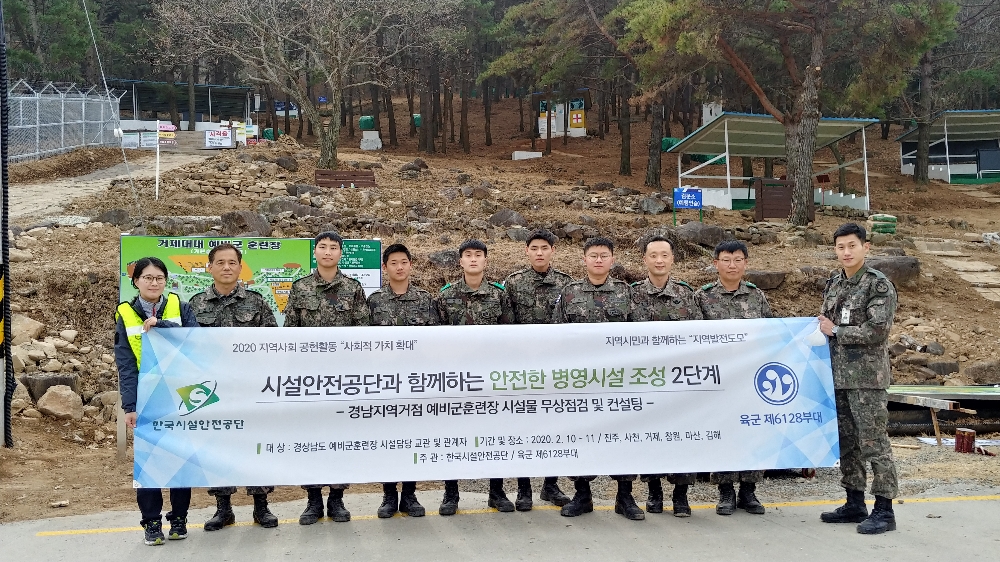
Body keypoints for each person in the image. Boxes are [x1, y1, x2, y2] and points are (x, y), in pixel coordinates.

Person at [187, 243, 279, 531]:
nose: (226, 267)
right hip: (212, 391)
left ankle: (261, 507)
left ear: (241, 267)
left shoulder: (257, 302)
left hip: (250, 389)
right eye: (220, 262)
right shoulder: (194, 304)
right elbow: (185, 348)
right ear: (210, 267)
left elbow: (273, 344)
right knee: (218, 446)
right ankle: (223, 508)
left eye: (232, 262)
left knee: (255, 444)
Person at [552, 237, 644, 521]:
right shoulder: (569, 292)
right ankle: (582, 494)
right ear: (584, 259)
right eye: (593, 255)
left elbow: (639, 336)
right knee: (581, 435)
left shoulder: (626, 292)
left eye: (604, 255)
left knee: (622, 436)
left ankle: (625, 496)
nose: (599, 260)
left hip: (617, 381)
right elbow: (557, 336)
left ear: (612, 260)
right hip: (580, 382)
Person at [818, 222, 900, 535]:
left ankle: (884, 509)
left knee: (874, 444)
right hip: (836, 377)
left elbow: (877, 330)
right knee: (847, 444)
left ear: (866, 248)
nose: (846, 252)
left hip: (866, 379)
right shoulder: (835, 281)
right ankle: (854, 501)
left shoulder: (877, 285)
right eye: (841, 247)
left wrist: (836, 331)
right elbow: (826, 321)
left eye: (852, 245)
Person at [284, 231, 371, 525]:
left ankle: (336, 499)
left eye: (334, 248)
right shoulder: (300, 288)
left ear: (341, 254)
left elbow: (363, 332)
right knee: (310, 438)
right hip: (309, 380)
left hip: (343, 379)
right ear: (315, 252)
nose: (328, 252)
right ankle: (312, 501)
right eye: (323, 247)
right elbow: (290, 332)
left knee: (339, 438)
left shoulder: (353, 288)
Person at [115, 257, 199, 546]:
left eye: (159, 278)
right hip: (147, 397)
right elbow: (125, 364)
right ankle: (151, 522)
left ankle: (179, 518)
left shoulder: (180, 306)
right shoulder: (125, 313)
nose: (154, 283)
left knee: (180, 458)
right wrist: (129, 406)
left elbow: (197, 342)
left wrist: (162, 325)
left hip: (180, 395)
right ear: (136, 281)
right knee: (149, 463)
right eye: (148, 278)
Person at [437, 239, 513, 515]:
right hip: (457, 380)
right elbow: (436, 339)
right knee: (454, 435)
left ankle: (497, 491)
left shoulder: (498, 294)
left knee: (494, 434)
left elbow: (509, 336)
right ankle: (451, 493)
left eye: (478, 255)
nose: (472, 259)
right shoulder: (445, 296)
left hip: (491, 380)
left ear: (485, 260)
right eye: (467, 255)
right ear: (460, 261)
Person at [696, 240, 771, 516]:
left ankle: (749, 491)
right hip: (719, 379)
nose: (732, 265)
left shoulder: (756, 296)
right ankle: (726, 491)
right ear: (715, 263)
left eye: (738, 259)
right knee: (724, 431)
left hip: (751, 378)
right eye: (726, 260)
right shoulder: (702, 297)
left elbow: (770, 334)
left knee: (752, 431)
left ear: (746, 263)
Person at [629, 235, 703, 517]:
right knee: (650, 435)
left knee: (683, 436)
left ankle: (681, 495)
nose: (659, 260)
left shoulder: (687, 295)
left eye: (664, 255)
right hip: (645, 381)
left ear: (673, 259)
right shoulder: (632, 294)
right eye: (653, 255)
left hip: (680, 382)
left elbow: (699, 338)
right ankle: (654, 490)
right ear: (645, 259)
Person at [503, 229, 573, 510]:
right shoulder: (513, 283)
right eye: (535, 248)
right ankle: (523, 488)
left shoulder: (567, 284)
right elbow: (506, 326)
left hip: (555, 368)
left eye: (545, 247)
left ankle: (550, 485)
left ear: (552, 251)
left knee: (553, 425)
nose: (540, 252)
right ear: (527, 251)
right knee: (523, 425)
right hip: (523, 368)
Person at [367, 243, 437, 518]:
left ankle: (409, 494)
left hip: (416, 383)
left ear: (410, 265)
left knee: (412, 439)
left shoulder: (424, 300)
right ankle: (388, 495)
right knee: (388, 440)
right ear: (385, 268)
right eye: (393, 263)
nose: (399, 267)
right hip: (384, 383)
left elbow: (435, 341)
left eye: (404, 262)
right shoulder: (374, 301)